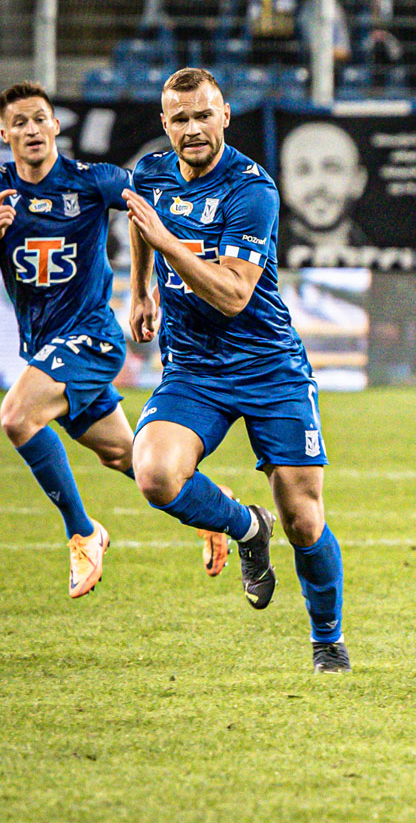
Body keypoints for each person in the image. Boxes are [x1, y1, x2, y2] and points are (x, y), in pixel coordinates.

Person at [124, 67, 349, 672]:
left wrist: (169, 245)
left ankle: (327, 637)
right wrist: (140, 289)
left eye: (204, 115)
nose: (193, 128)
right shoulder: (150, 171)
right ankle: (248, 527)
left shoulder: (253, 190)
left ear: (225, 115)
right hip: (194, 366)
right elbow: (139, 217)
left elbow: (232, 294)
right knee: (155, 474)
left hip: (268, 364)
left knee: (303, 518)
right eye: (180, 118)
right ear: (165, 124)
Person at [0, 82, 136, 599]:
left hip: (92, 337)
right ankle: (222, 514)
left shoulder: (91, 180)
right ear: (5, 133)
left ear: (56, 126)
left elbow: (144, 209)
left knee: (15, 416)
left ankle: (82, 533)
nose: (32, 129)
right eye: (21, 122)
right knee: (128, 457)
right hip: (44, 349)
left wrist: (141, 290)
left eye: (41, 119)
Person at [278, 120, 370, 258]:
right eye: (303, 170)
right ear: (284, 184)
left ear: (359, 181)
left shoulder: (378, 250)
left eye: (332, 168)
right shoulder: (257, 255)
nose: (317, 184)